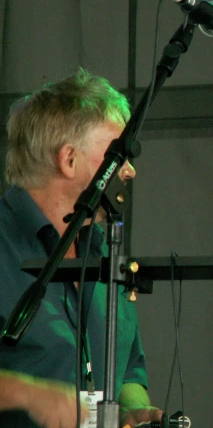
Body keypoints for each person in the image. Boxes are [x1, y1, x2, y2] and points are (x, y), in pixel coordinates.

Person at [0, 68, 162, 428]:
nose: (130, 170)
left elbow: (129, 368)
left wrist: (133, 413)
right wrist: (32, 395)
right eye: (115, 153)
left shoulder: (104, 250)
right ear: (68, 159)